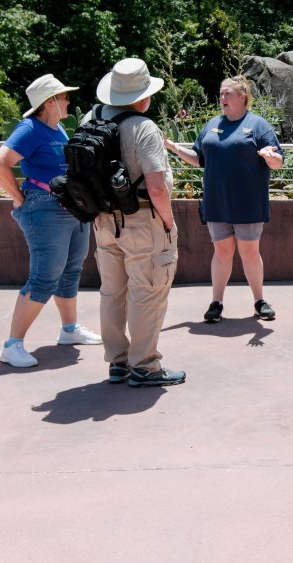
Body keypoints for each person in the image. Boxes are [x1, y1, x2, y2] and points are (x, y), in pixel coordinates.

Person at [0, 74, 102, 368]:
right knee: (45, 276)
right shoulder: (30, 128)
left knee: (71, 269)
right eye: (64, 97)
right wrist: (19, 198)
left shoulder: (58, 130)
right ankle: (12, 345)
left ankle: (69, 329)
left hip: (69, 208)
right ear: (50, 101)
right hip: (45, 208)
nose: (69, 101)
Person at [86, 58, 184, 387]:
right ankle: (145, 366)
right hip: (143, 220)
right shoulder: (144, 127)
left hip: (102, 220)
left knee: (112, 292)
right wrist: (168, 223)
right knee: (148, 292)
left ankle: (118, 362)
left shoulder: (91, 118)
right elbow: (156, 186)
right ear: (144, 96)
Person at [164, 75, 284, 323]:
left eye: (227, 93)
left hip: (248, 203)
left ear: (242, 96)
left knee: (249, 252)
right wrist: (174, 148)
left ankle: (259, 301)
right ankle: (216, 302)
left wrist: (269, 157)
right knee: (221, 252)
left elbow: (278, 160)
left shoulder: (258, 125)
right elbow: (200, 159)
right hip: (217, 202)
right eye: (221, 93)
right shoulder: (212, 124)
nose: (222, 98)